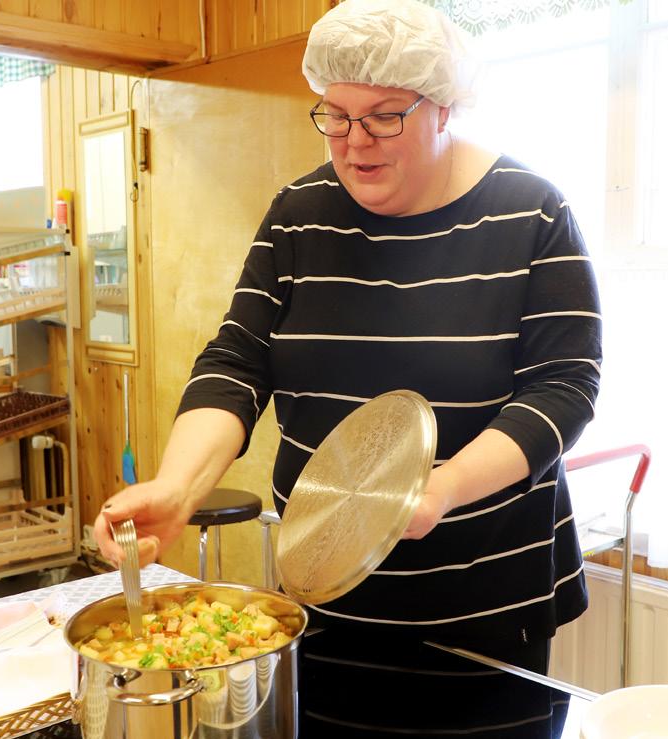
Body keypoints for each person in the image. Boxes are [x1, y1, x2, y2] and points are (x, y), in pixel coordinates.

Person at [96, 0, 601, 733]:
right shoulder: (298, 215)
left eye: (384, 117)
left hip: (481, 614)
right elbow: (237, 359)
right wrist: (177, 487)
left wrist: (442, 488)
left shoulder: (531, 214)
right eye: (335, 116)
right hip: (323, 599)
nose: (355, 142)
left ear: (443, 106)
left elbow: (565, 385)